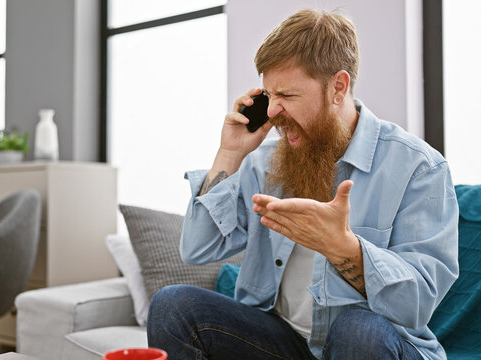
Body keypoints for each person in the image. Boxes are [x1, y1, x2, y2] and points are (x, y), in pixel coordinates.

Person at [147, 9, 459, 360]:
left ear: (338, 87)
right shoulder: (264, 162)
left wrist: (344, 247)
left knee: (357, 330)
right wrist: (230, 153)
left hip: (374, 342)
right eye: (268, 95)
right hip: (283, 341)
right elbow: (197, 249)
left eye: (287, 95)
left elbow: (417, 304)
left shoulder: (418, 167)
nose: (273, 111)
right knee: (172, 305)